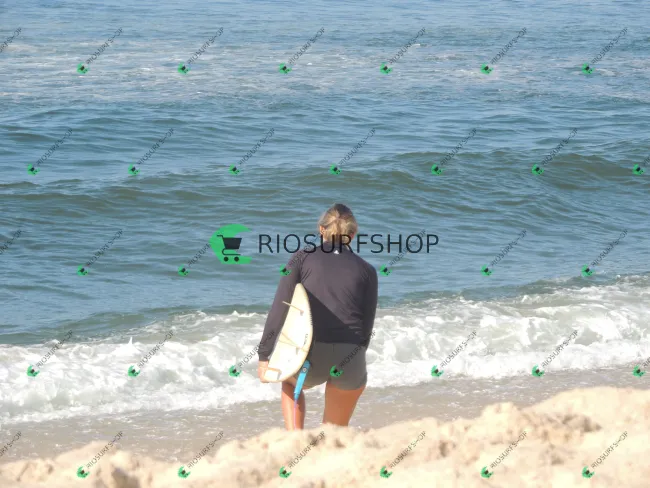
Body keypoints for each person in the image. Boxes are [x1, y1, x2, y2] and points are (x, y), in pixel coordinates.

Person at [257, 203, 378, 430]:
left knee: (289, 382)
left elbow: (280, 307)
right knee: (332, 433)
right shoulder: (367, 270)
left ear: (321, 230)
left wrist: (264, 355)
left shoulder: (301, 258)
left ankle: (296, 439)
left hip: (312, 354)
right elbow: (366, 328)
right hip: (350, 355)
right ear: (352, 235)